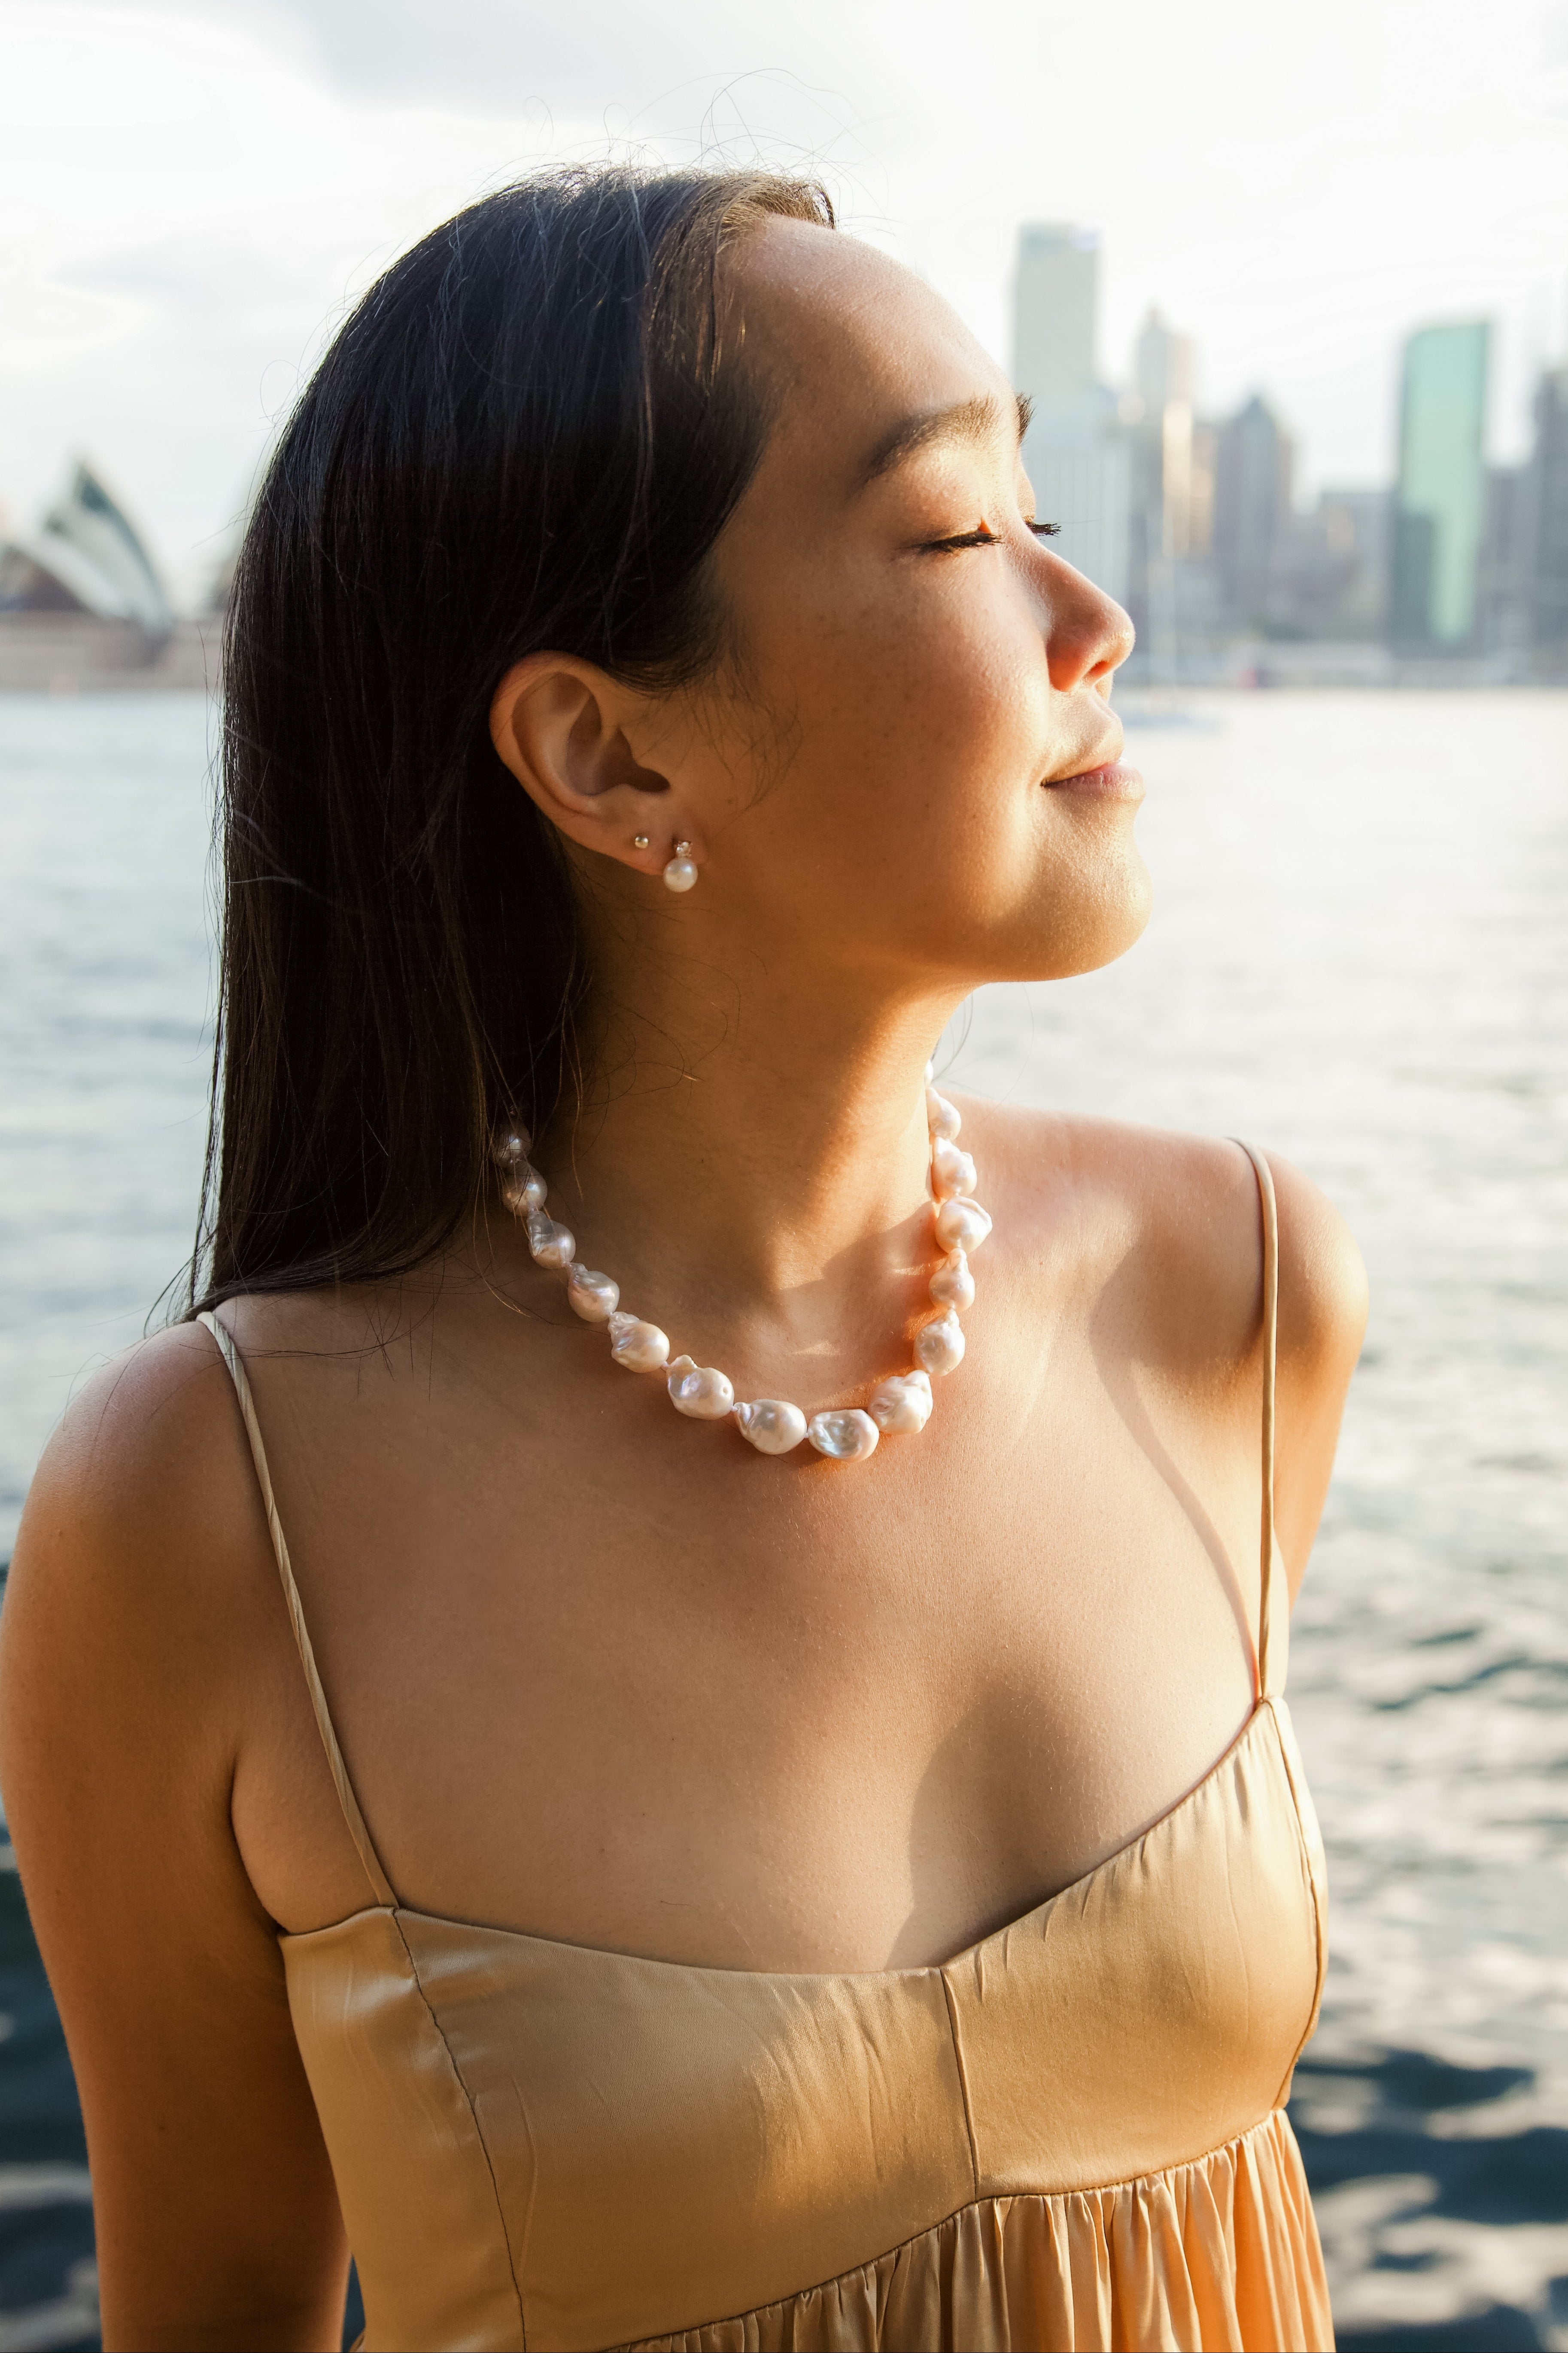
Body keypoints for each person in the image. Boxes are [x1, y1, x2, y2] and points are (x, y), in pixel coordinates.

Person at [0, 167, 1367, 2353]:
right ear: (606, 748)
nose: (1090, 609)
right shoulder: (203, 1513)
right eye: (953, 534)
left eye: (1042, 502)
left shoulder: (1239, 1289)